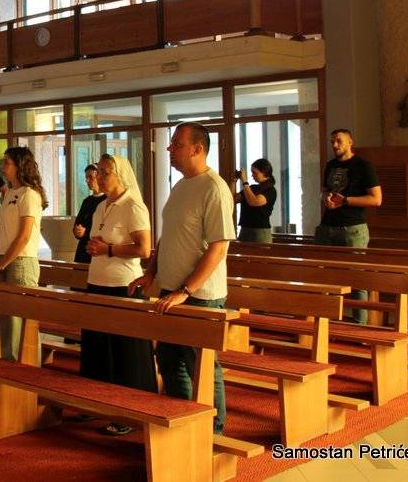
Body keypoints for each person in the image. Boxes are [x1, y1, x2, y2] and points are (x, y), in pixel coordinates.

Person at [129, 122, 234, 435]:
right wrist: (151, 272)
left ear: (197, 149)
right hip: (171, 290)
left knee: (201, 365)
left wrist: (186, 290)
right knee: (169, 359)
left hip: (200, 295)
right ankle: (184, 421)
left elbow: (219, 247)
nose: (169, 148)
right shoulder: (180, 187)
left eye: (176, 144)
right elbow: (168, 237)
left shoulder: (214, 188)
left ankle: (213, 430)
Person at [82, 154, 154, 435]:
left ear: (120, 175)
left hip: (124, 285)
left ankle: (131, 412)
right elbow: (97, 242)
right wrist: (94, 247)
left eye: (105, 172)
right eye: (98, 171)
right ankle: (95, 403)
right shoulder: (101, 206)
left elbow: (144, 249)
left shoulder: (133, 205)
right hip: (97, 281)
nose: (99, 177)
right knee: (98, 349)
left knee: (126, 353)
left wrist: (108, 249)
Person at [314, 128, 383, 324]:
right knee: (323, 276)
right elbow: (325, 191)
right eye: (332, 142)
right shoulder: (330, 165)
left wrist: (346, 200)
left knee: (356, 279)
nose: (334, 145)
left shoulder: (363, 166)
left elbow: (376, 199)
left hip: (352, 228)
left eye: (339, 141)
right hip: (327, 226)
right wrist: (326, 198)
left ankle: (359, 325)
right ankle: (325, 323)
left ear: (350, 142)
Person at [0, 147, 46, 362]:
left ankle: (25, 366)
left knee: (21, 320)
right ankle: (9, 362)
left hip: (21, 262)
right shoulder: (9, 193)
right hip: (4, 258)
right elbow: (3, 231)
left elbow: (24, 236)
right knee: (7, 316)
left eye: (7, 162)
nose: (2, 167)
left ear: (20, 166)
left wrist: (3, 263)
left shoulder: (29, 194)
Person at [235, 158, 277, 243]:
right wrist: (234, 180)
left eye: (255, 173)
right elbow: (234, 199)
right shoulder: (252, 188)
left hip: (260, 232)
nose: (252, 175)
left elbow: (254, 202)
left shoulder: (271, 190)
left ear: (264, 172)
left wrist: (245, 182)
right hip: (245, 229)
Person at [72, 164, 105, 264]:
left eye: (90, 177)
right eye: (86, 177)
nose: (87, 180)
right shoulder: (86, 201)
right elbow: (78, 223)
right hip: (83, 251)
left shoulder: (107, 200)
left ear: (99, 176)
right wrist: (77, 231)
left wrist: (86, 232)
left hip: (98, 251)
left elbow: (105, 227)